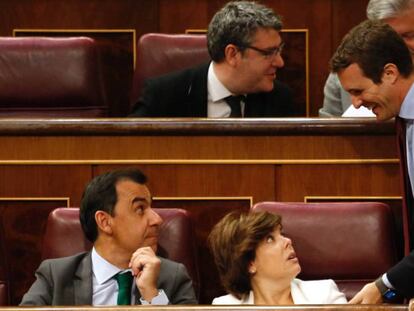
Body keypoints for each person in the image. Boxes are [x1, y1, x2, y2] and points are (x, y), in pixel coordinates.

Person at [20, 168, 197, 305]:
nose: (157, 219)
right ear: (104, 222)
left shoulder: (173, 277)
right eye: (140, 209)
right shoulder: (56, 276)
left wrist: (152, 295)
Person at [330, 19, 414, 302]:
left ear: (390, 73)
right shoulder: (406, 122)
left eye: (358, 91)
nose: (354, 104)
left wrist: (384, 285)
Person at [129, 1, 295, 118]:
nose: (280, 62)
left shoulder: (280, 98)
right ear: (232, 54)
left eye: (279, 50)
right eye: (269, 53)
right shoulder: (163, 96)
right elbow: (127, 153)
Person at [208, 211, 347, 304]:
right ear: (250, 264)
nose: (287, 241)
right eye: (270, 239)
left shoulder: (324, 295)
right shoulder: (225, 307)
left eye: (281, 233)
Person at [319, 0, 414, 117]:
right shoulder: (344, 75)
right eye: (387, 39)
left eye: (409, 36)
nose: (399, 46)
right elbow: (328, 131)